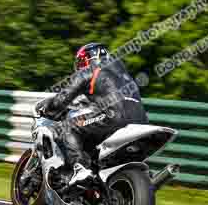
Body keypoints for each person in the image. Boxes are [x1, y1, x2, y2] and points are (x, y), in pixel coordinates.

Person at [36, 42, 148, 188]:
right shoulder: (124, 74)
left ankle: (79, 169)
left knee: (68, 127)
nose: (81, 66)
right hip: (141, 120)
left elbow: (64, 97)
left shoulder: (91, 70)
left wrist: (50, 109)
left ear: (91, 58)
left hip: (114, 116)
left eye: (82, 61)